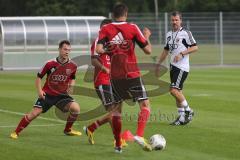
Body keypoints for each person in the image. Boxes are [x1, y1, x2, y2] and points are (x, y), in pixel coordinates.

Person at [96, 3, 152, 152]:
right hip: (132, 74)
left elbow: (99, 49)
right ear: (126, 14)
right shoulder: (133, 27)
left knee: (116, 112)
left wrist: (110, 49)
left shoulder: (105, 29)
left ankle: (118, 145)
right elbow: (148, 50)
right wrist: (146, 36)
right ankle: (139, 135)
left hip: (115, 77)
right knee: (145, 106)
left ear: (113, 15)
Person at [10, 40, 82, 139]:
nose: (67, 52)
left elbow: (73, 78)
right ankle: (16, 132)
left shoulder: (73, 65)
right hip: (48, 94)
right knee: (34, 113)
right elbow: (39, 78)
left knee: (76, 108)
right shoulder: (49, 64)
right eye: (65, 49)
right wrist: (40, 91)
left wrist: (71, 86)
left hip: (62, 95)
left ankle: (68, 130)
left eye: (69, 50)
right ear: (59, 49)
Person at [83, 18, 127, 148]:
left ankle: (94, 129)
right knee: (113, 112)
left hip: (115, 81)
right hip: (103, 80)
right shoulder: (98, 41)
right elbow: (93, 60)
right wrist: (104, 68)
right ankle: (116, 140)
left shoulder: (113, 43)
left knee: (116, 112)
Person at [155, 11, 198, 125]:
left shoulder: (185, 33)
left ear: (180, 20)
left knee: (173, 90)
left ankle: (189, 111)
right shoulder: (169, 34)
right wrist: (159, 63)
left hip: (182, 67)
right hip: (173, 67)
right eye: (173, 20)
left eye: (176, 20)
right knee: (178, 92)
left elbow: (195, 47)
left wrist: (182, 54)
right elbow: (166, 50)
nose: (174, 22)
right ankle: (182, 118)